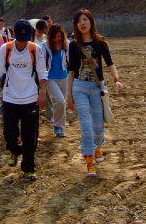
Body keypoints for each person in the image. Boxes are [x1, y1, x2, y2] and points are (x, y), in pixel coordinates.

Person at [67, 9, 124, 176]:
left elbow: (109, 63)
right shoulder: (73, 45)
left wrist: (116, 79)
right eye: (79, 21)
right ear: (76, 25)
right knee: (86, 126)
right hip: (79, 87)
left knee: (98, 126)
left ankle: (97, 147)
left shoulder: (101, 43)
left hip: (97, 87)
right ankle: (89, 161)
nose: (82, 23)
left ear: (91, 21)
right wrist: (69, 95)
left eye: (85, 19)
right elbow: (72, 70)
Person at [0, 20, 48, 182]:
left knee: (30, 137)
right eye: (20, 39)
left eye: (26, 38)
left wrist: (43, 93)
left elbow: (42, 72)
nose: (23, 42)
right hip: (10, 98)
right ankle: (15, 150)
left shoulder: (35, 49)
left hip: (30, 98)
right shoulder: (6, 49)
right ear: (14, 34)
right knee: (9, 134)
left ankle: (29, 168)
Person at [43, 24, 69, 137]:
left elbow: (70, 59)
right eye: (54, 37)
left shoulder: (67, 44)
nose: (57, 39)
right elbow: (42, 64)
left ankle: (61, 127)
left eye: (59, 36)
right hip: (51, 78)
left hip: (64, 76)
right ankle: (57, 125)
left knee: (63, 103)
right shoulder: (45, 46)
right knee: (59, 101)